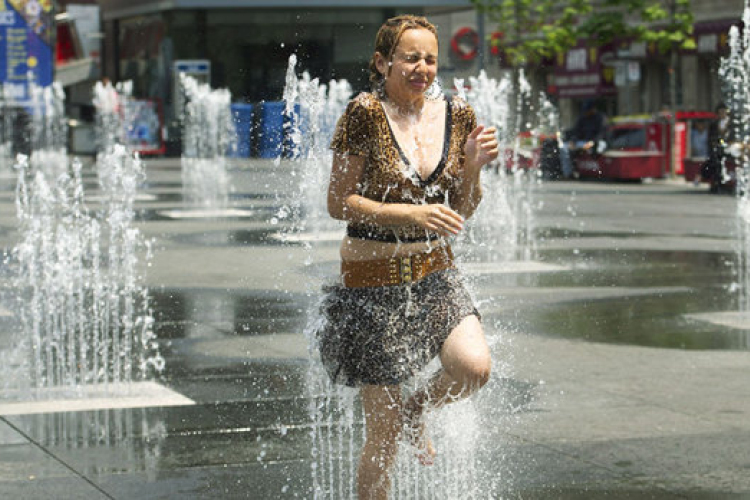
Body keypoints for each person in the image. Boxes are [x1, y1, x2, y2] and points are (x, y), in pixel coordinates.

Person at [317, 15, 499, 500]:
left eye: (430, 59)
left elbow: (460, 209)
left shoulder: (457, 114)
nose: (422, 68)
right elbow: (339, 203)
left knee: (473, 367)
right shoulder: (364, 112)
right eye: (411, 57)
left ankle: (419, 408)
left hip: (435, 272)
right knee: (383, 433)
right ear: (383, 62)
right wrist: (407, 215)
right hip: (370, 283)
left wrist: (474, 171)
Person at [560, 100, 607, 178]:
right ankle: (568, 173)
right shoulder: (582, 118)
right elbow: (576, 131)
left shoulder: (601, 118)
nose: (586, 112)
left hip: (597, 141)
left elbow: (602, 133)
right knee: (563, 147)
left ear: (593, 109)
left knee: (600, 147)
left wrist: (593, 142)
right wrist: (573, 140)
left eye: (588, 110)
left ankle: (600, 172)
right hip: (583, 142)